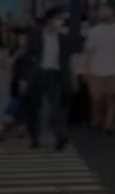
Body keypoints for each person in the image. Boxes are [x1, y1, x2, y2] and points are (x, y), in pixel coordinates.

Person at [25, 7, 81, 150]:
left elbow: (68, 60)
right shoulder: (36, 35)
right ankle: (35, 138)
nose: (61, 22)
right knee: (35, 108)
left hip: (55, 75)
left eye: (62, 20)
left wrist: (72, 78)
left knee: (55, 107)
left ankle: (59, 137)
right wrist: (24, 78)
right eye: (59, 19)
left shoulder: (63, 38)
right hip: (37, 74)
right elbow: (28, 56)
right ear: (50, 20)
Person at [84, 5, 115, 135]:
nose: (102, 13)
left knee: (112, 98)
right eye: (100, 11)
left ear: (113, 11)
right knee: (97, 99)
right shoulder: (94, 31)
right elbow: (89, 52)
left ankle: (108, 126)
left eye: (105, 10)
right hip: (97, 70)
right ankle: (96, 120)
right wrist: (87, 71)